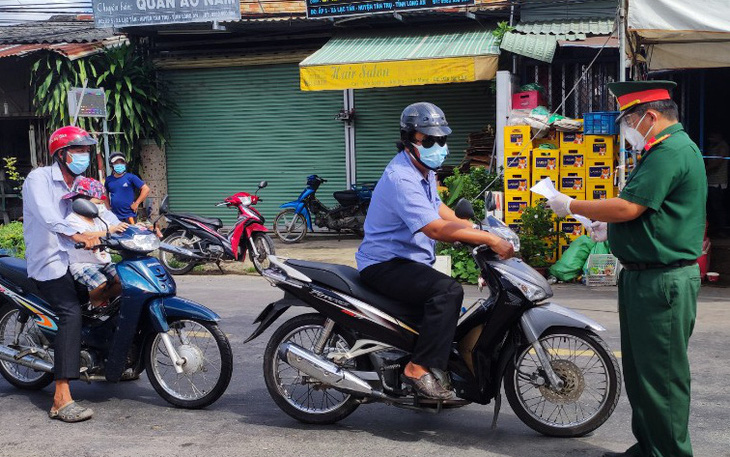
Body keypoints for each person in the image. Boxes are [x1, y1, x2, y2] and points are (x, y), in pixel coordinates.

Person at [545, 81, 706, 457]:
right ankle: (649, 447)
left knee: (661, 379)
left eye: (629, 119)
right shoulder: (663, 150)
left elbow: (628, 207)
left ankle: (668, 453)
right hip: (645, 276)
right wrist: (609, 228)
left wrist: (572, 205)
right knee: (640, 374)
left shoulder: (670, 150)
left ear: (650, 116)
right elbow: (647, 212)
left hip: (661, 279)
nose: (627, 128)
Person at [355, 102, 515, 400]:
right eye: (428, 140)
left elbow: (438, 208)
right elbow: (434, 228)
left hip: (410, 261)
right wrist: (486, 239)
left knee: (449, 309)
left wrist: (476, 226)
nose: (437, 145)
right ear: (409, 139)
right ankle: (418, 369)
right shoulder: (401, 178)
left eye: (441, 139)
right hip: (385, 264)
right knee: (447, 292)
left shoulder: (423, 170)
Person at [22, 125, 102, 422]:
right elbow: (48, 216)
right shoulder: (38, 179)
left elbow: (98, 210)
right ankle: (61, 397)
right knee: (70, 313)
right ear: (61, 154)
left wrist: (125, 227)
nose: (83, 155)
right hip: (49, 262)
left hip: (78, 260)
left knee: (111, 291)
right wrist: (79, 233)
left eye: (86, 150)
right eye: (78, 150)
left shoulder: (81, 182)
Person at [63, 177, 128, 308]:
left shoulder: (99, 219)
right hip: (82, 264)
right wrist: (111, 230)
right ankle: (95, 304)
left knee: (126, 281)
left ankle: (103, 298)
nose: (101, 206)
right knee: (100, 283)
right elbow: (85, 235)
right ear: (83, 203)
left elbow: (116, 228)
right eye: (97, 203)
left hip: (104, 262)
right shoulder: (72, 219)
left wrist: (136, 228)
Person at [105, 151, 150, 224]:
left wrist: (137, 203)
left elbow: (146, 189)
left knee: (131, 234)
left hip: (129, 216)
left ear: (125, 164)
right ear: (112, 164)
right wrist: (107, 206)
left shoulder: (131, 177)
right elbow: (105, 194)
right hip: (114, 217)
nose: (119, 164)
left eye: (121, 162)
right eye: (116, 163)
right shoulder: (109, 180)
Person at [705, 131, 729, 237]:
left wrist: (703, 169)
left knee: (717, 206)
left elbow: (717, 162)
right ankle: (716, 228)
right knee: (713, 206)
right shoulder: (713, 146)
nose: (710, 138)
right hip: (711, 180)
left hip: (718, 181)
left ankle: (722, 229)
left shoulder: (723, 147)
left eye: (713, 136)